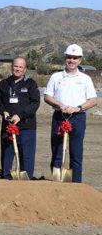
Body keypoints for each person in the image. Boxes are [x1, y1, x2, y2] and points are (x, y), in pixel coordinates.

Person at [44, 44, 98, 183]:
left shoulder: (85, 79)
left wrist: (78, 108)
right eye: (69, 57)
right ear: (65, 58)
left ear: (80, 60)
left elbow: (93, 100)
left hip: (78, 118)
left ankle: (76, 185)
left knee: (76, 153)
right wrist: (60, 105)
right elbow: (47, 97)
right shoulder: (56, 77)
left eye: (75, 58)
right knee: (57, 151)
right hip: (59, 117)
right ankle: (58, 183)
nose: (71, 60)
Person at [0, 56, 40, 179]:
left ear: (25, 70)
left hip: (26, 127)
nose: (17, 69)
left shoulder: (31, 84)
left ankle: (26, 178)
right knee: (7, 154)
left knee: (27, 156)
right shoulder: (4, 83)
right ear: (11, 67)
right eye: (15, 66)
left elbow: (35, 103)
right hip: (8, 126)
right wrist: (3, 112)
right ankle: (6, 177)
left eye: (20, 67)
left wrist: (20, 115)